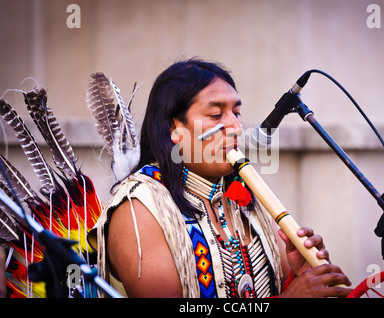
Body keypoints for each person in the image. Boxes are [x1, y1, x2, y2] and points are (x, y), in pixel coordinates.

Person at [88, 58, 352, 298]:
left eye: (236, 113)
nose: (236, 127)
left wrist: (299, 274)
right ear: (174, 128)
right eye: (216, 115)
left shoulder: (247, 197)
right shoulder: (138, 208)